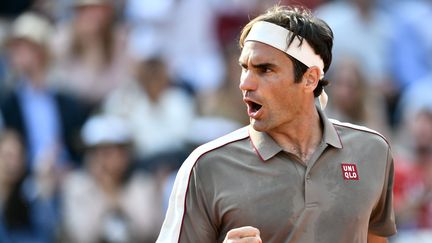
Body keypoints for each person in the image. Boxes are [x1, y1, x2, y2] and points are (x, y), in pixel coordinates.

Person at [157, 5, 396, 243]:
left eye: (264, 69)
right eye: (245, 68)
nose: (245, 83)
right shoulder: (205, 167)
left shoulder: (373, 151)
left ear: (310, 79)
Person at [61, 114, 163, 243]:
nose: (100, 159)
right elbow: (83, 235)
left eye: (107, 152)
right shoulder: (76, 185)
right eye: (93, 153)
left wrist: (114, 195)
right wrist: (104, 193)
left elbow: (148, 229)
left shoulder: (142, 184)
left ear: (125, 155)